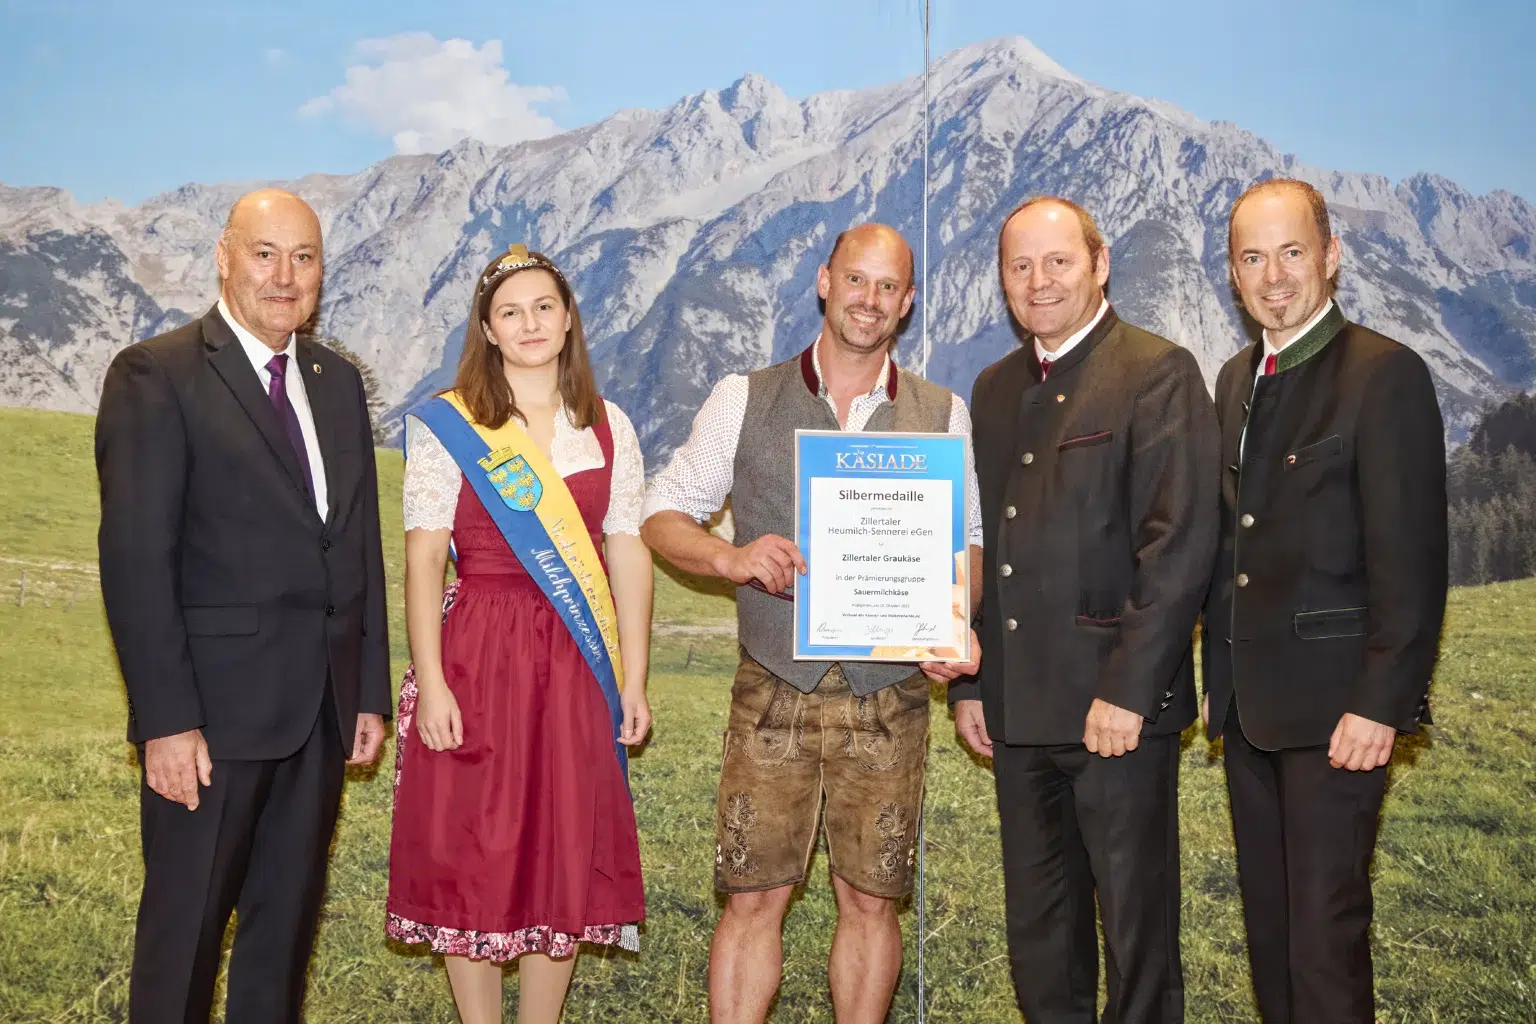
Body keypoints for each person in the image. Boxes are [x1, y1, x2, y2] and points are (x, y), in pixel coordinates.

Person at [641, 223, 983, 1024]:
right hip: (773, 685)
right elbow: (662, 515)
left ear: (906, 303)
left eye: (888, 287)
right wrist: (732, 558)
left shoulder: (942, 412)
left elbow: (963, 540)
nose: (870, 300)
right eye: (856, 280)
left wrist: (955, 622)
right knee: (753, 897)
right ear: (825, 281)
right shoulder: (744, 395)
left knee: (871, 902)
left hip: (890, 691)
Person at [95, 188, 391, 1022]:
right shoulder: (158, 374)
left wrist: (367, 689)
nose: (285, 276)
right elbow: (136, 563)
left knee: (282, 942)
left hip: (321, 717)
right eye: (266, 253)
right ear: (224, 256)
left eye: (304, 258)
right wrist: (165, 719)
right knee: (182, 941)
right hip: (209, 724)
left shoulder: (337, 383)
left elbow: (356, 542)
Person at [949, 196, 1219, 1022]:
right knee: (1040, 936)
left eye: (1058, 261)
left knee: (1136, 936)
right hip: (1017, 712)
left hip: (1117, 714)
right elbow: (980, 547)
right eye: (1020, 266)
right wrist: (968, 685)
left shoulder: (1157, 371)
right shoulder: (992, 390)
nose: (1040, 281)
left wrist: (1130, 690)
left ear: (1099, 264)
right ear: (1001, 280)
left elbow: (1177, 545)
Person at [386, 245, 653, 1024]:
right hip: (479, 651)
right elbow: (425, 554)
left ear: (568, 319)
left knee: (559, 844)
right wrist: (429, 680)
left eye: (544, 307)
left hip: (577, 660)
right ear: (488, 329)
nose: (530, 323)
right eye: (511, 312)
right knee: (472, 841)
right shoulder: (449, 422)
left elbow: (626, 547)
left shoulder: (607, 426)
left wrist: (634, 679)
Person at [1203, 178, 1448, 1024]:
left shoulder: (1386, 375)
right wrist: (1214, 681)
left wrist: (1381, 705)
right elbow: (1231, 544)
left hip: (1339, 717)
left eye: (1292, 252)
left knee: (1324, 936)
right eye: (1253, 258)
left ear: (1331, 257)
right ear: (1232, 275)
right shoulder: (1236, 378)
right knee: (1271, 937)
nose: (1274, 276)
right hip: (1246, 712)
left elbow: (1412, 568)